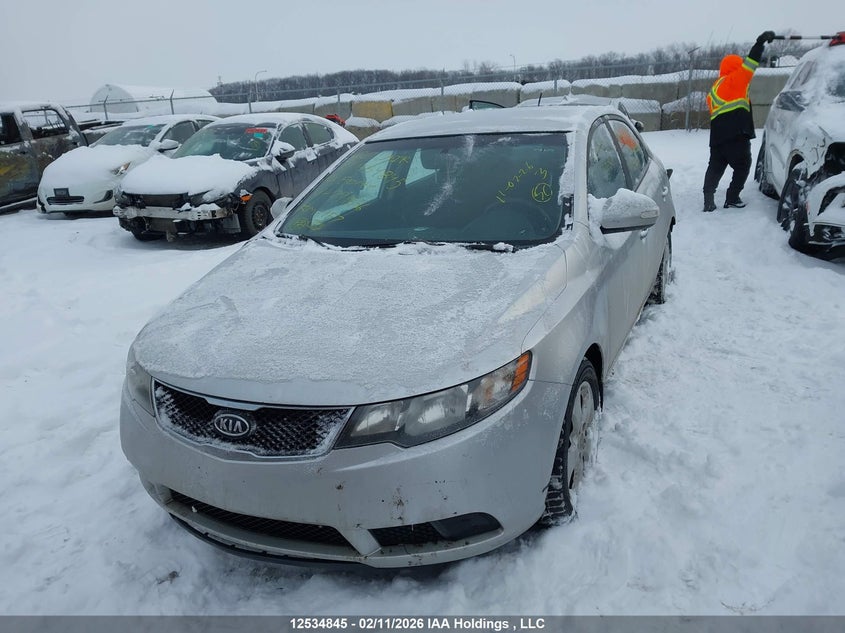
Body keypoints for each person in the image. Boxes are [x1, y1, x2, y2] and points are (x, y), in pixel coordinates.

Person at [702, 30, 776, 212]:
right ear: (736, 66)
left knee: (715, 167)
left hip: (717, 138)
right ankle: (732, 197)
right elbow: (751, 63)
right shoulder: (736, 80)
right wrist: (759, 43)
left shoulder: (714, 89)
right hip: (735, 134)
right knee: (743, 165)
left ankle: (708, 200)